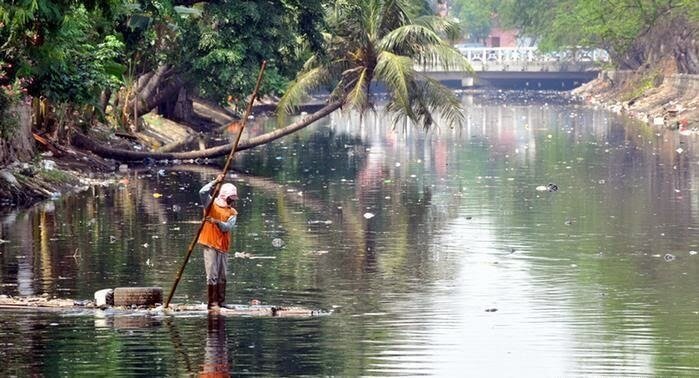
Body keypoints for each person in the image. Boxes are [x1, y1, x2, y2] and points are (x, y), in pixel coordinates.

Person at [198, 174, 238, 310]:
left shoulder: (232, 212)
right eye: (230, 198)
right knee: (212, 274)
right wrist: (216, 181)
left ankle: (221, 301)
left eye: (233, 199)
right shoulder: (210, 204)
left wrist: (217, 222)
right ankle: (212, 303)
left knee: (222, 275)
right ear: (223, 196)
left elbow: (227, 227)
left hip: (223, 246)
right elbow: (202, 192)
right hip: (210, 243)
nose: (232, 201)